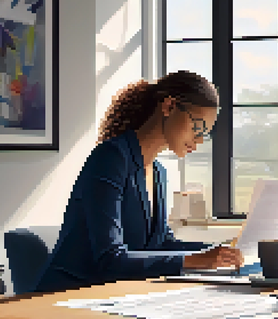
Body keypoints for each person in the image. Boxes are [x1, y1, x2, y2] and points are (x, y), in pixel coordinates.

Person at [34, 71, 243, 293]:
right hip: (67, 295)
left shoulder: (158, 173)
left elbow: (163, 244)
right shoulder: (111, 158)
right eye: (197, 127)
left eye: (205, 133)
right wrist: (194, 260)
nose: (199, 140)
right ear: (169, 107)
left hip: (117, 296)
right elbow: (110, 259)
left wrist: (218, 252)